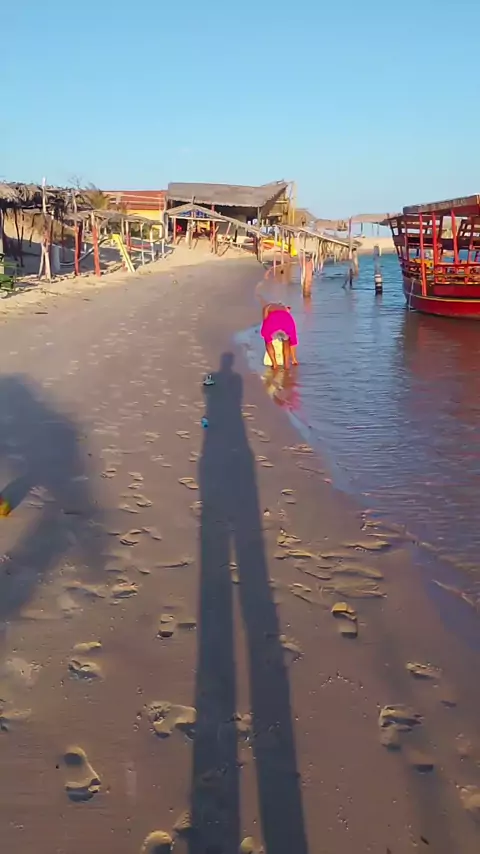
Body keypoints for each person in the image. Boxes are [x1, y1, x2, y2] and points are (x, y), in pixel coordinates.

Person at [260, 301, 298, 370]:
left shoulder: (267, 307)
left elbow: (265, 320)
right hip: (287, 323)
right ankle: (287, 365)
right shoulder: (285, 310)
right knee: (286, 342)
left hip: (272, 323)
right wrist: (294, 359)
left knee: (268, 342)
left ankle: (275, 365)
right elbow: (293, 341)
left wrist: (267, 335)